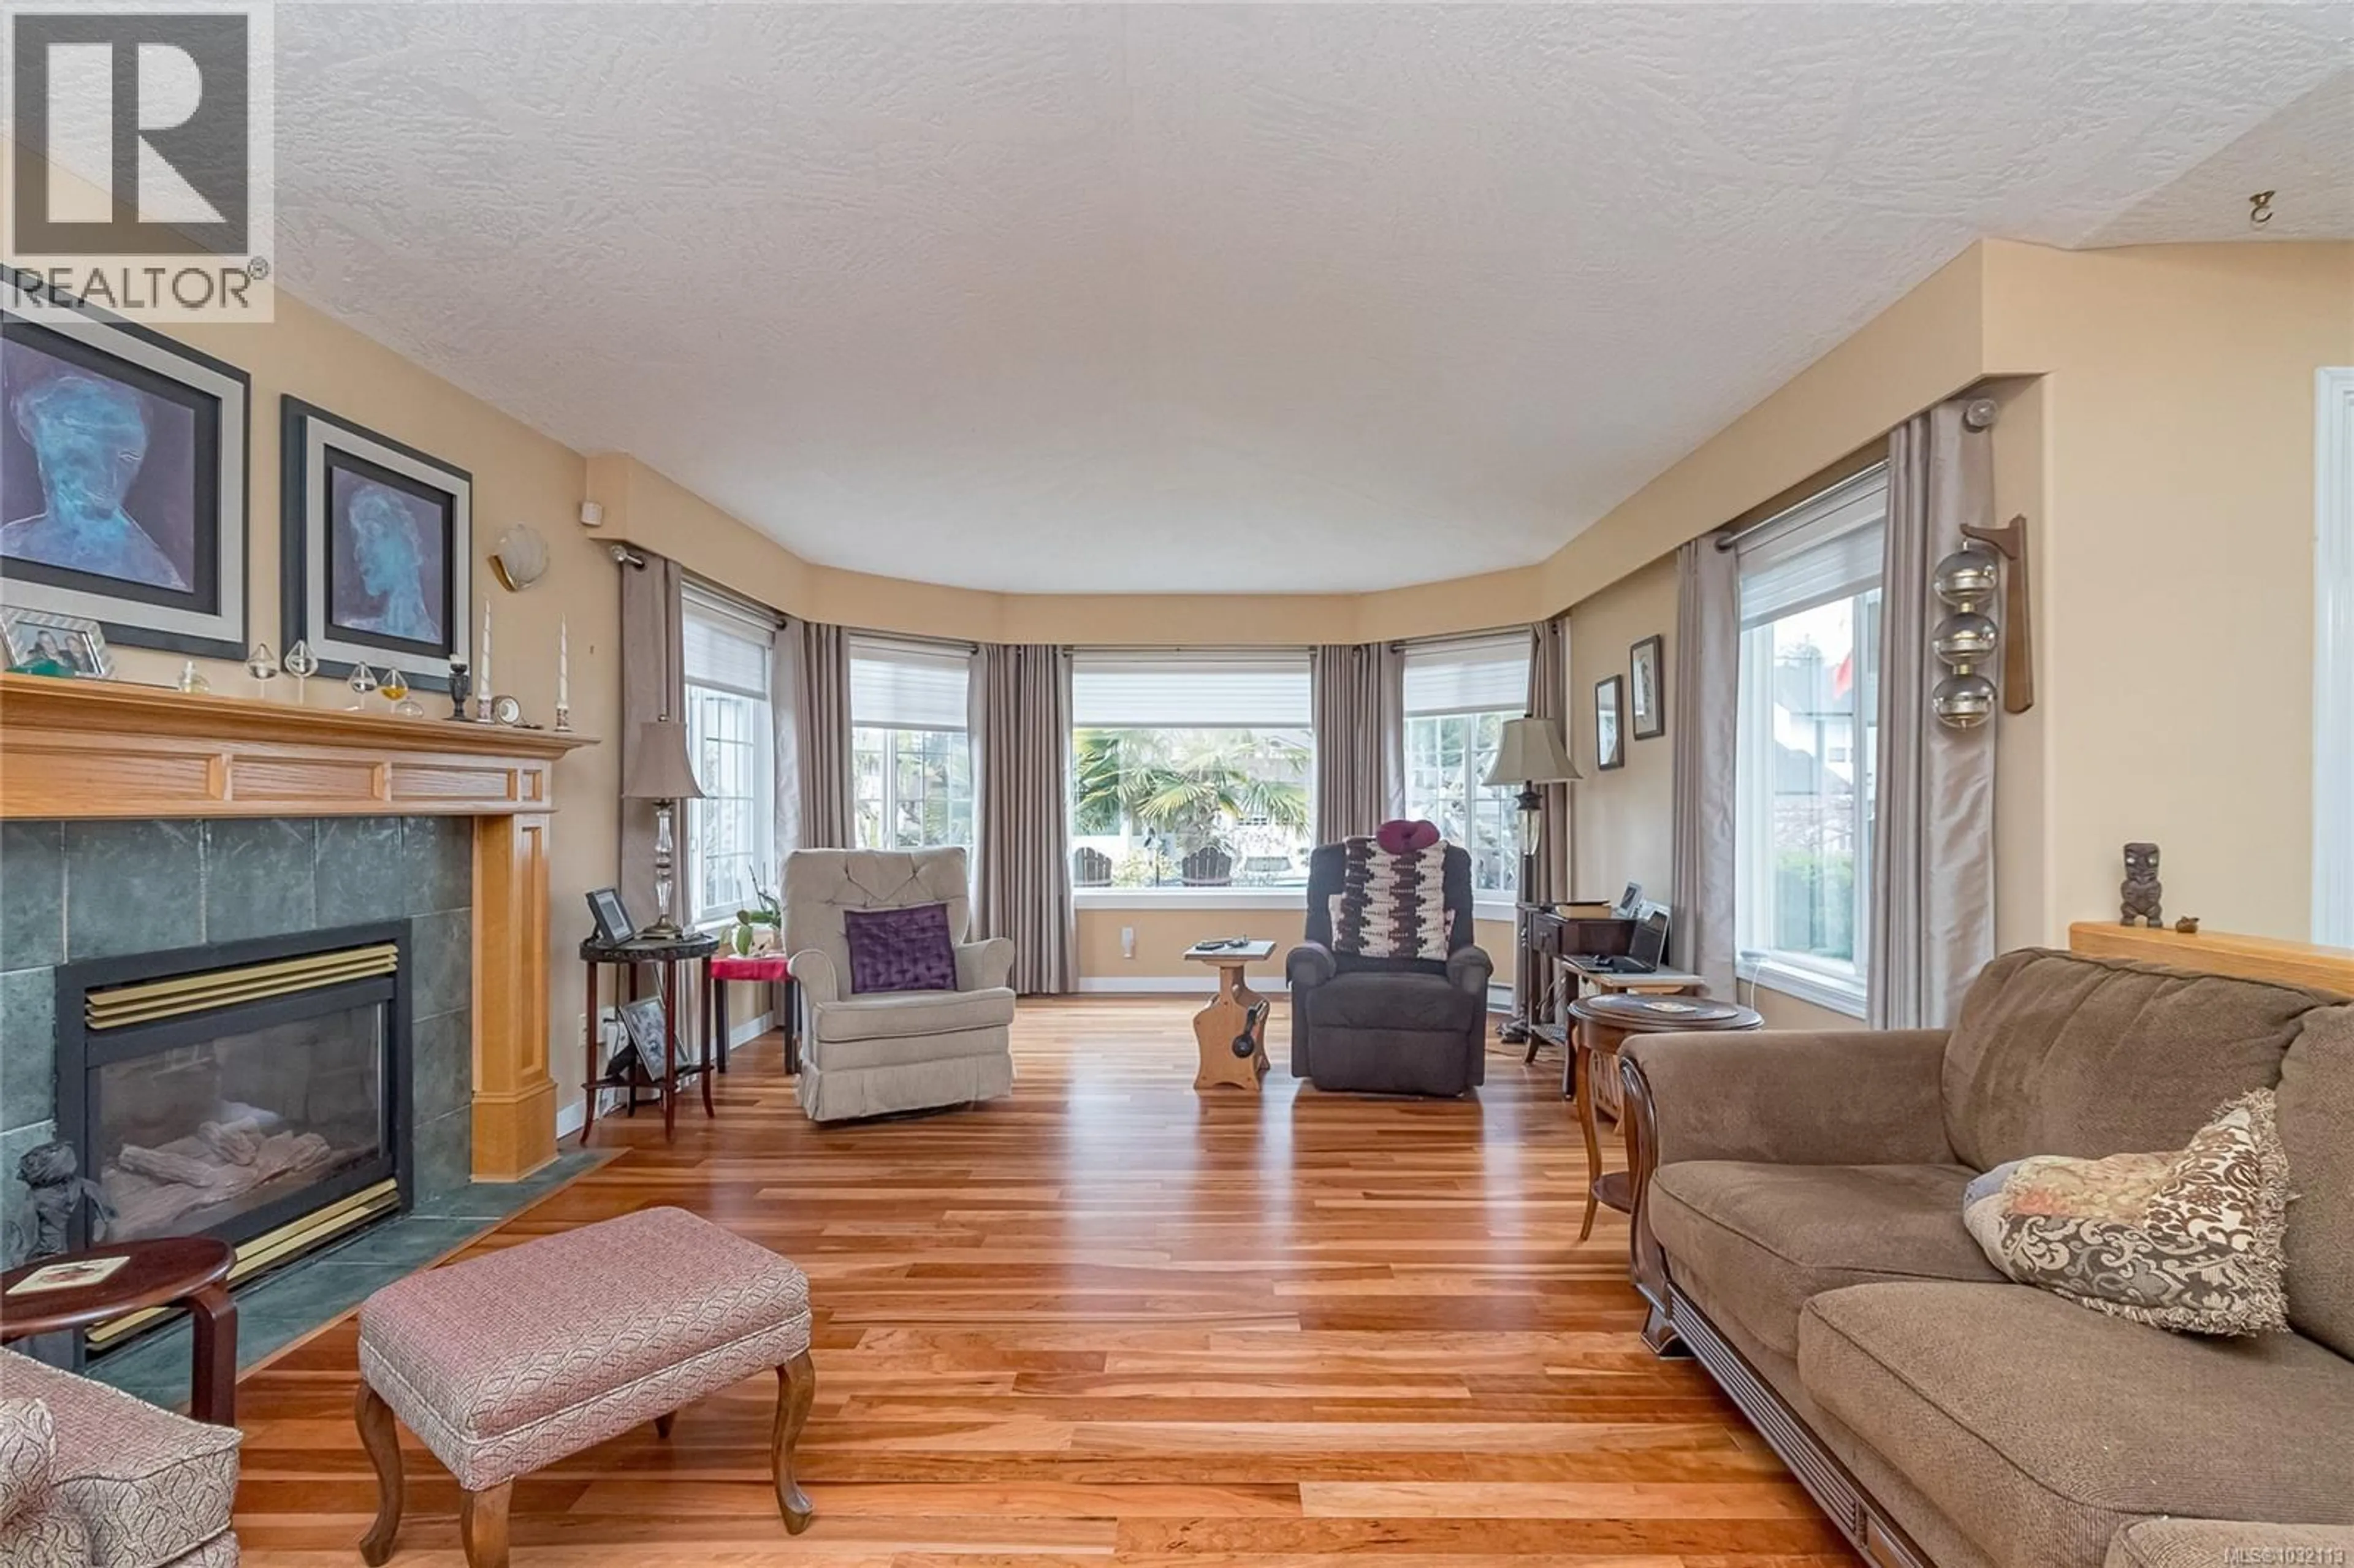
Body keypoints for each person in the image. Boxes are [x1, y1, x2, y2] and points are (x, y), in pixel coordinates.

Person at [1, 371, 188, 591]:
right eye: (82, 457)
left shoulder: (152, 572)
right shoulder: (11, 543)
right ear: (32, 433)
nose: (109, 481)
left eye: (127, 459)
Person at [340, 482, 438, 642]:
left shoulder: (438, 641)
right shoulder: (352, 633)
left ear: (409, 539)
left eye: (372, 532)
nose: (359, 552)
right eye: (357, 538)